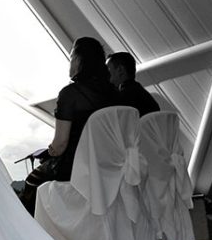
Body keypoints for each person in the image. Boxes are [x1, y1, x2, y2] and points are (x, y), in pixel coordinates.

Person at [18, 37, 119, 214]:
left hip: (76, 169)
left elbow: (60, 145)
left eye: (71, 56)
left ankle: (32, 234)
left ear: (79, 60)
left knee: (31, 181)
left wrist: (49, 152)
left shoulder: (70, 94)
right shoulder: (116, 94)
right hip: (109, 167)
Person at [107, 51, 160, 116]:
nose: (105, 72)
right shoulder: (138, 91)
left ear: (120, 70)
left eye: (108, 68)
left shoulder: (124, 98)